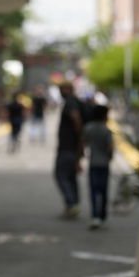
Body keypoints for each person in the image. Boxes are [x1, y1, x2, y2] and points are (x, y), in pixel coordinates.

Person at [54, 81, 85, 218]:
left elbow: (76, 118)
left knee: (61, 174)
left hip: (68, 146)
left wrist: (80, 137)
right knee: (71, 176)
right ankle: (74, 204)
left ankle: (72, 203)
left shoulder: (71, 103)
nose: (60, 92)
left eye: (61, 89)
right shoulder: (74, 101)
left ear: (67, 89)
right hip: (72, 146)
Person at [83, 104, 113, 229]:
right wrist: (109, 157)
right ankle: (102, 214)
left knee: (94, 190)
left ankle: (95, 215)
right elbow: (110, 147)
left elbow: (83, 143)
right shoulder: (106, 130)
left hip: (93, 163)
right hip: (104, 164)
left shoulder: (88, 128)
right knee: (104, 190)